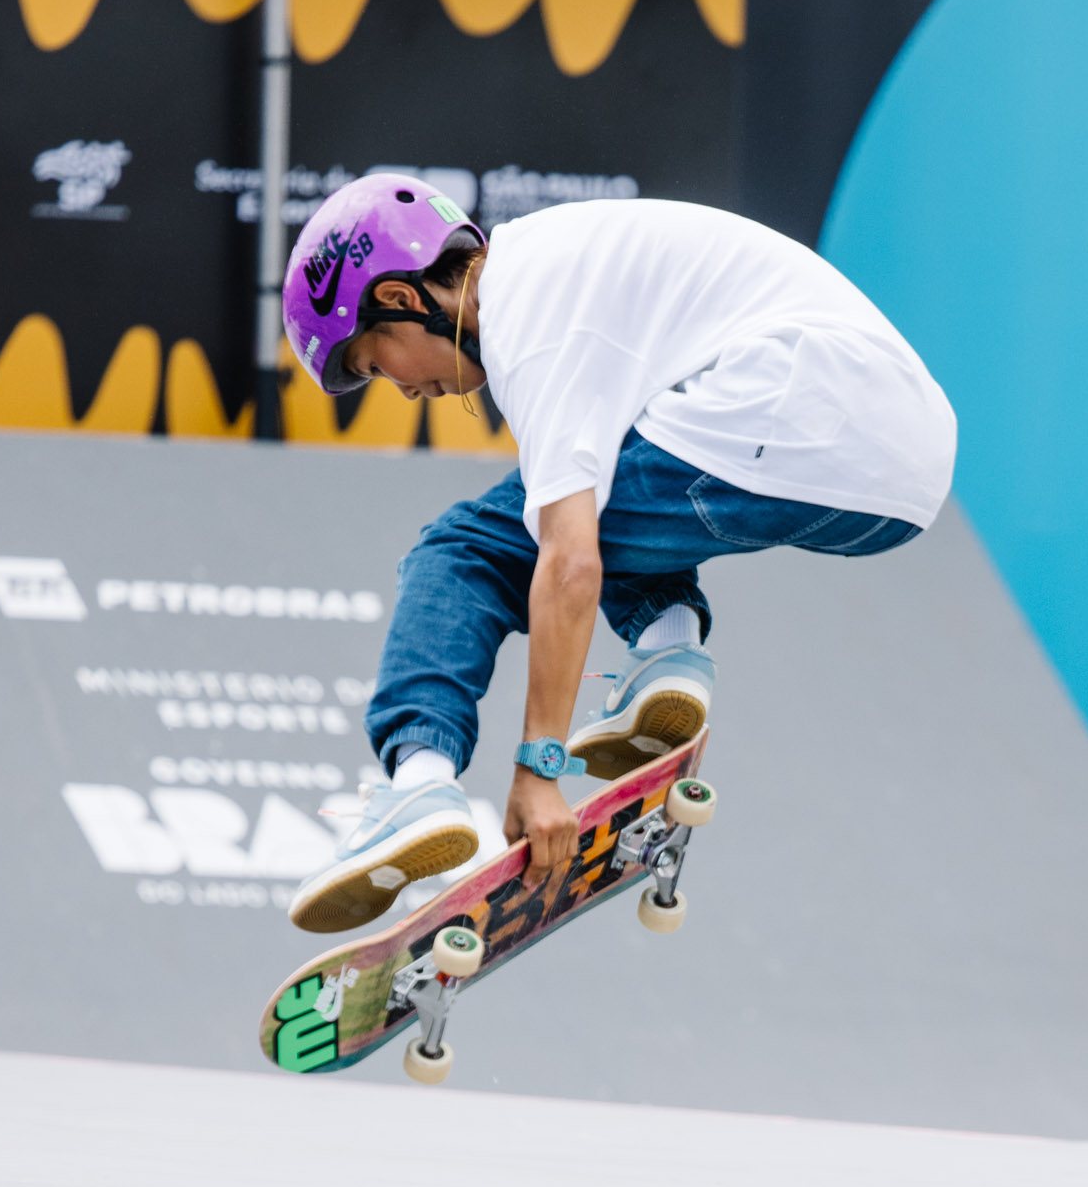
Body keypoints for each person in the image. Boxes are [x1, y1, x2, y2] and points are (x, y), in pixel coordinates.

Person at [278, 177, 955, 935]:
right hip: (900, 476)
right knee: (596, 480)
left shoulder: (528, 314)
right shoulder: (562, 268)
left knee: (465, 549)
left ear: (402, 300)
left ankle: (418, 783)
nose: (403, 392)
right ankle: (668, 652)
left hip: (795, 407)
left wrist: (540, 770)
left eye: (376, 365)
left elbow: (570, 565)